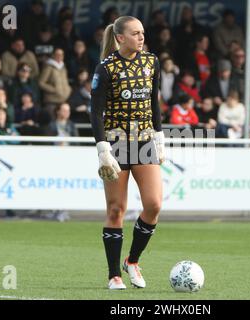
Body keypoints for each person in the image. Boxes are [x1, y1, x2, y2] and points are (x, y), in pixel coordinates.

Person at [90, 16, 165, 290]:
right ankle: (114, 275)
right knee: (115, 209)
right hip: (117, 143)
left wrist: (159, 136)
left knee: (154, 204)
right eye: (135, 33)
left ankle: (132, 261)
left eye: (142, 33)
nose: (141, 37)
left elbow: (153, 100)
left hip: (144, 141)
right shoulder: (105, 68)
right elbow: (95, 112)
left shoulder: (152, 62)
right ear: (120, 38)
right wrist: (102, 150)